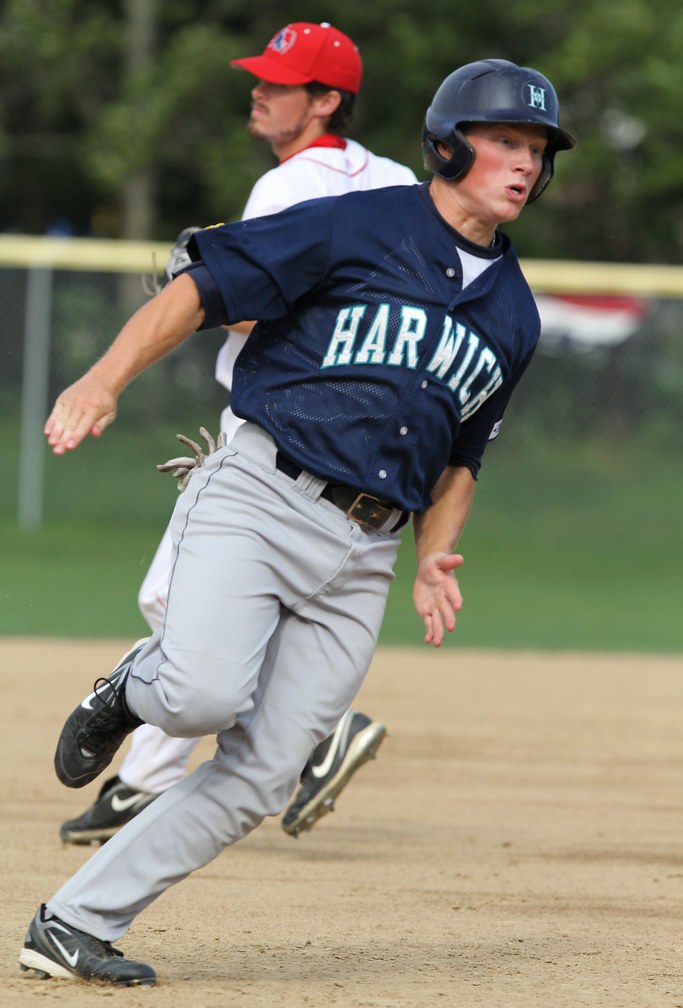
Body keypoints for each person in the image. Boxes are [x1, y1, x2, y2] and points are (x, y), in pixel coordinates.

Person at [19, 57, 575, 986]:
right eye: (506, 141)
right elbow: (203, 287)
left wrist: (433, 556)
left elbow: (460, 456)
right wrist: (102, 379)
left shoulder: (513, 313)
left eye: (538, 150)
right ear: (448, 144)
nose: (525, 163)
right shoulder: (356, 223)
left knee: (264, 775)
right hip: (261, 492)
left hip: (366, 554)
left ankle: (72, 922)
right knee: (198, 697)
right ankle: (127, 689)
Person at [58, 21, 418, 848]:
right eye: (261, 77)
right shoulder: (396, 179)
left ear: (324, 101)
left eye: (279, 83)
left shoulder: (286, 188)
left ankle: (318, 735)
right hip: (356, 436)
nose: (258, 91)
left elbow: (255, 307)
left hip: (269, 428)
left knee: (174, 602)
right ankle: (144, 784)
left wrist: (196, 289)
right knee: (193, 604)